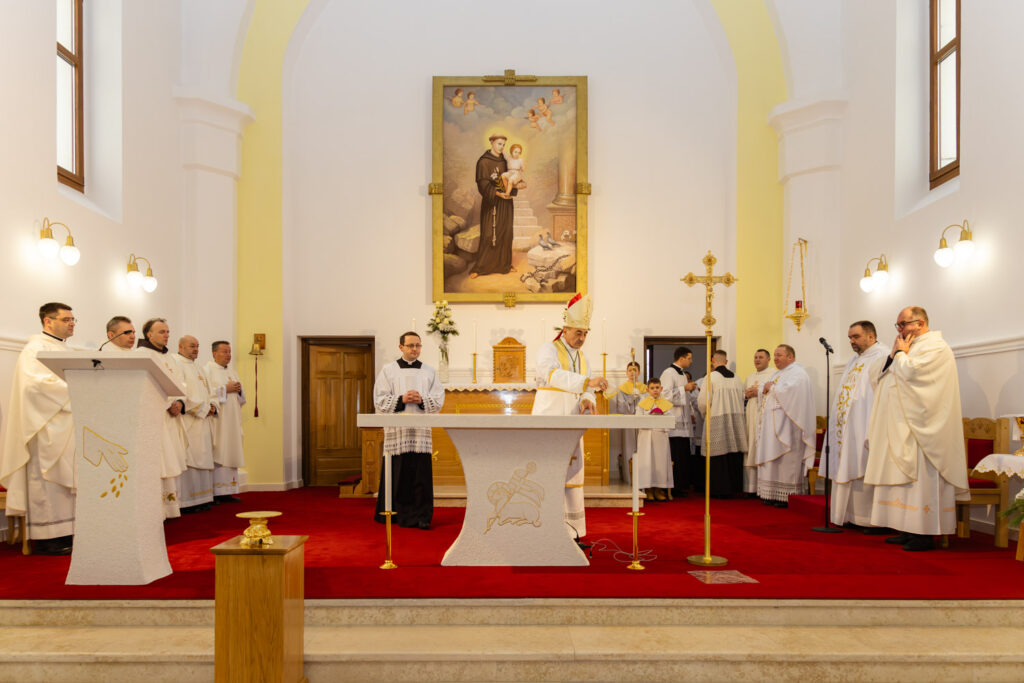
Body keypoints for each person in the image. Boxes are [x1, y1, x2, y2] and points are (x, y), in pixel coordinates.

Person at [865, 307, 969, 551]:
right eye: (898, 325)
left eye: (903, 324)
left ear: (920, 323)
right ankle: (906, 528)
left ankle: (924, 533)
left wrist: (901, 354)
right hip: (900, 425)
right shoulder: (908, 346)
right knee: (902, 480)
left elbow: (913, 374)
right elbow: (878, 374)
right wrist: (894, 354)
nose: (900, 330)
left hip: (923, 428)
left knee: (921, 480)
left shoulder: (936, 347)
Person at [0, 303, 77, 555]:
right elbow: (35, 386)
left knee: (67, 484)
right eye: (66, 319)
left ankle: (68, 532)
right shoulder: (34, 349)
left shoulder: (67, 350)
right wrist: (75, 389)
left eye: (73, 319)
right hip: (44, 426)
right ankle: (47, 538)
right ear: (48, 321)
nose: (71, 323)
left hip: (68, 425)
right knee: (46, 481)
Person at [532, 294, 607, 539]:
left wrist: (587, 398)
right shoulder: (549, 349)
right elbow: (551, 374)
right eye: (578, 332)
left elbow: (587, 388)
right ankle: (545, 530)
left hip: (572, 421)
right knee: (548, 472)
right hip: (550, 417)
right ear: (565, 330)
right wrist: (586, 383)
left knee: (572, 473)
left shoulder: (583, 357)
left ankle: (571, 532)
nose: (582, 338)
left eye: (585, 334)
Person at [372, 331, 445, 529]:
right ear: (401, 347)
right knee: (398, 472)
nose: (415, 349)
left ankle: (422, 517)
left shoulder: (429, 371)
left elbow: (438, 399)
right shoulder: (388, 370)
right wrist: (402, 399)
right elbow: (379, 399)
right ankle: (393, 513)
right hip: (398, 431)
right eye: (411, 345)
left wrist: (421, 399)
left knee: (421, 475)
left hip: (420, 432)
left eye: (418, 345)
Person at [824, 321, 887, 529]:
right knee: (848, 464)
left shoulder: (883, 356)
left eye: (856, 337)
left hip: (865, 424)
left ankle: (868, 520)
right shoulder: (854, 360)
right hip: (847, 426)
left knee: (864, 465)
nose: (852, 341)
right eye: (850, 337)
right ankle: (849, 516)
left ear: (871, 336)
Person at [138, 318, 192, 519]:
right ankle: (155, 510)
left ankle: (170, 508)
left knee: (170, 461)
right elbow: (145, 385)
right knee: (158, 463)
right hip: (156, 417)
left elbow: (181, 384)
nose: (166, 335)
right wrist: (169, 403)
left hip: (171, 417)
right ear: (149, 334)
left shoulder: (168, 357)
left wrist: (180, 402)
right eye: (161, 331)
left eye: (168, 331)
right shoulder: (141, 355)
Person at [754, 344, 815, 507]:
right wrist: (762, 389)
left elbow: (791, 394)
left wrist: (771, 387)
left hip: (789, 427)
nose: (775, 358)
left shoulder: (798, 373)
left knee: (787, 461)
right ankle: (772, 493)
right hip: (772, 427)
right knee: (773, 461)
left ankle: (788, 496)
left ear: (790, 357)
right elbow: (765, 388)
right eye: (774, 355)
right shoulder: (778, 373)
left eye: (779, 355)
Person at [696, 350, 748, 497]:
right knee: (733, 453)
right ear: (726, 362)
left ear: (712, 361)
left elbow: (703, 402)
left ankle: (719, 490)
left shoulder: (711, 377)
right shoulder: (737, 378)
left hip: (716, 419)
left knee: (717, 455)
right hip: (736, 420)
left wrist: (704, 415)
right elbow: (742, 398)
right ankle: (734, 488)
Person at [175, 335, 217, 512]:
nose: (196, 349)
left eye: (198, 346)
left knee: (203, 456)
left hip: (204, 420)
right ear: (181, 347)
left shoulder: (199, 368)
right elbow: (180, 393)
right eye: (192, 346)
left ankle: (203, 498)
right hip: (189, 420)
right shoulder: (176, 364)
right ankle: (187, 502)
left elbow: (210, 392)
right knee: (190, 458)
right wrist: (203, 408)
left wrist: (213, 405)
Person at [204, 341, 246, 504]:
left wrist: (239, 390)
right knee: (220, 451)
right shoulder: (207, 370)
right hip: (219, 420)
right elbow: (206, 394)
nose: (228, 355)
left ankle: (228, 491)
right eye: (224, 352)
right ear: (214, 353)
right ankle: (216, 492)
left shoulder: (232, 371)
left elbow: (242, 399)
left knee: (231, 450)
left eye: (229, 352)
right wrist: (225, 389)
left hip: (232, 419)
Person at [470, 134, 518, 278]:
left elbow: (511, 178)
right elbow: (483, 184)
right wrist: (497, 194)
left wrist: (512, 188)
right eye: (499, 144)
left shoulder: (505, 161)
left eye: (503, 144)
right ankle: (480, 268)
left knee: (505, 232)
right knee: (489, 234)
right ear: (491, 142)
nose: (501, 147)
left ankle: (504, 265)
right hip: (492, 202)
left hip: (506, 202)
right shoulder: (483, 162)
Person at [660, 346, 698, 498]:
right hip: (674, 421)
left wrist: (687, 389)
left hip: (683, 421)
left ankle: (681, 485)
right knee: (675, 455)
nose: (691, 361)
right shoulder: (668, 373)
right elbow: (664, 395)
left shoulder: (681, 374)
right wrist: (684, 388)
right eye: (689, 358)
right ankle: (673, 487)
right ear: (681, 358)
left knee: (683, 456)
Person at [633, 377, 673, 501]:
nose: (655, 390)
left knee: (660, 463)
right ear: (647, 390)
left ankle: (658, 489)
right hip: (646, 436)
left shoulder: (666, 404)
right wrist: (651, 417)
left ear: (661, 389)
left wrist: (661, 417)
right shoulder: (642, 403)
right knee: (647, 462)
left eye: (657, 388)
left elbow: (671, 420)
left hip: (660, 436)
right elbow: (637, 419)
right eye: (652, 388)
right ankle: (648, 489)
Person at [606, 361, 645, 485]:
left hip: (642, 423)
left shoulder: (644, 388)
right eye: (630, 370)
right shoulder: (622, 389)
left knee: (643, 449)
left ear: (639, 372)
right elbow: (621, 409)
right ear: (626, 373)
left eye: (635, 370)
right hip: (629, 423)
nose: (632, 373)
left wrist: (641, 397)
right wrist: (630, 400)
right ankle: (630, 479)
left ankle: (643, 481)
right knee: (629, 449)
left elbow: (648, 405)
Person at [743, 348, 774, 494]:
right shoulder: (749, 377)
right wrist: (746, 395)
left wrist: (759, 392)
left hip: (764, 416)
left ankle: (763, 488)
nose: (757, 360)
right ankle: (750, 488)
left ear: (768, 359)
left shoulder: (774, 374)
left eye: (761, 357)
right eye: (755, 357)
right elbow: (743, 397)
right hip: (750, 415)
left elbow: (775, 394)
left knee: (761, 448)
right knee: (750, 447)